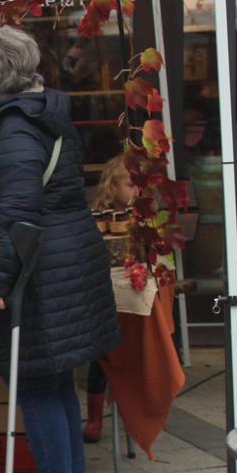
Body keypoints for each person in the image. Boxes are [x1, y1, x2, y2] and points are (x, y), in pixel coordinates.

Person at [0, 27, 119, 473]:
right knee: (55, 382)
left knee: (37, 386)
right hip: (56, 264)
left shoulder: (16, 129)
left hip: (36, 274)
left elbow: (18, 211)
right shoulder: (38, 115)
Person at [84, 156, 136, 443]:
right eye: (130, 185)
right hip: (101, 295)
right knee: (100, 356)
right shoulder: (98, 216)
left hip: (131, 294)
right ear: (113, 187)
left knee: (131, 351)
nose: (135, 192)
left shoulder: (142, 216)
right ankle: (94, 418)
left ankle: (131, 412)